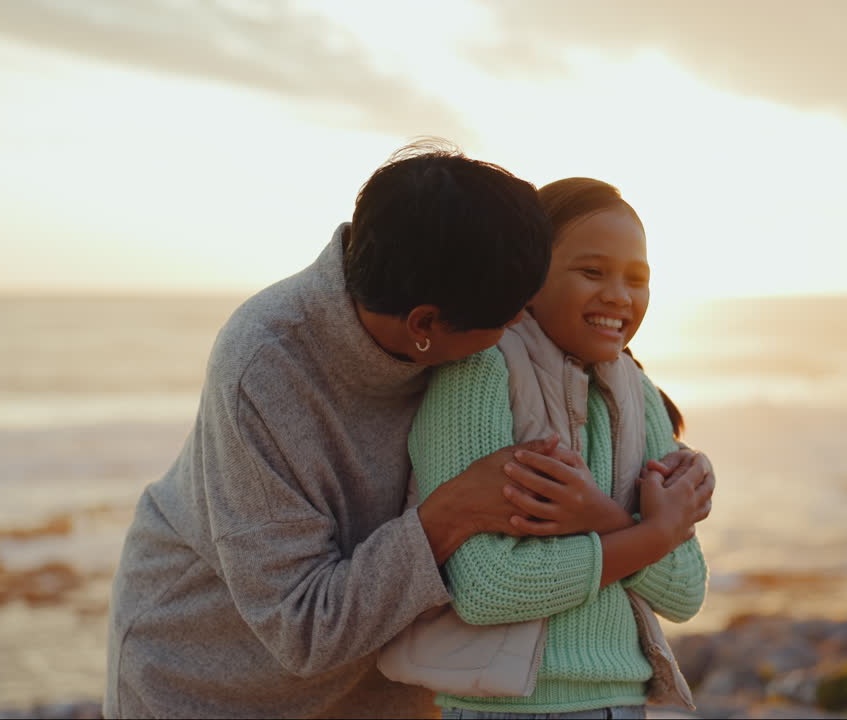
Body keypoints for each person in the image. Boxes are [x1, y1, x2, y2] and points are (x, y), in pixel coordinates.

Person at [104, 144, 610, 719]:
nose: (523, 321)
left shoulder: (461, 291)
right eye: (508, 315)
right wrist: (452, 513)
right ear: (424, 324)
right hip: (209, 679)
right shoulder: (266, 366)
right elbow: (303, 627)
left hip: (390, 684)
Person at [401, 177, 715, 718]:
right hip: (508, 708)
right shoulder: (481, 371)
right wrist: (650, 535)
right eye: (592, 272)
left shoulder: (636, 393)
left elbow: (685, 592)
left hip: (624, 701)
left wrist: (603, 516)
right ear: (528, 274)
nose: (619, 294)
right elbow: (487, 587)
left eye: (637, 278)